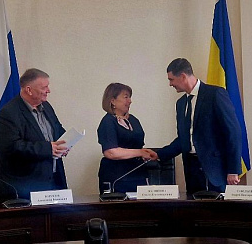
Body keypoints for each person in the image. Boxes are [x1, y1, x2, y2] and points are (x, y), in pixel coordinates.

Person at [156, 58, 243, 194]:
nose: (170, 84)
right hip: (192, 171)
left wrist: (233, 170)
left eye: (171, 79)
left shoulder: (215, 94)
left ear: (183, 76)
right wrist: (159, 154)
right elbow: (184, 139)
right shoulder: (181, 104)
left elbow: (233, 132)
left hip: (215, 171)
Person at [0, 68, 68, 200]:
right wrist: (48, 148)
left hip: (53, 181)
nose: (48, 91)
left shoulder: (46, 107)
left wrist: (65, 144)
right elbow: (12, 147)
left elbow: (57, 129)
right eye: (44, 87)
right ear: (29, 90)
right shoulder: (8, 114)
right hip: (25, 186)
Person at [97, 83, 158, 193]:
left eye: (130, 97)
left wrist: (145, 153)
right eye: (126, 97)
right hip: (117, 177)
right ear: (113, 101)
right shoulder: (108, 122)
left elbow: (137, 145)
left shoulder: (134, 120)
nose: (130, 101)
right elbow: (111, 152)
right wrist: (140, 152)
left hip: (138, 174)